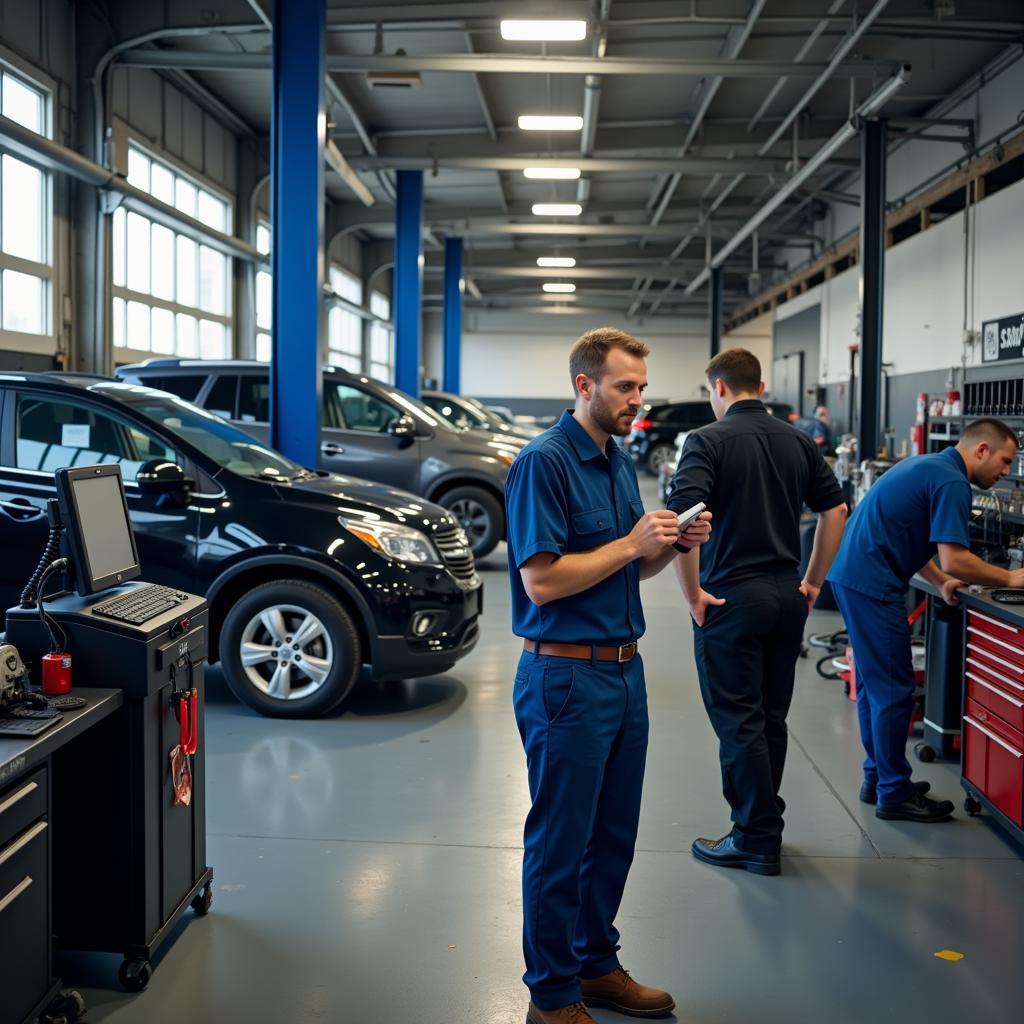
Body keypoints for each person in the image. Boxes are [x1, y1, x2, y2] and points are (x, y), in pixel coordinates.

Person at [504, 327, 712, 1024]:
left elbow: (629, 563)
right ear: (584, 385)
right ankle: (552, 997)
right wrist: (630, 541)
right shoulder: (545, 463)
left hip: (625, 674)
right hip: (565, 681)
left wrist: (668, 544)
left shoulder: (617, 459)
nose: (637, 399)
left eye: (642, 387)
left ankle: (596, 964)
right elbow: (541, 582)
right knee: (560, 842)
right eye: (626, 386)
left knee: (613, 834)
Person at [667, 349, 847, 876]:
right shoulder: (798, 440)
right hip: (786, 597)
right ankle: (765, 824)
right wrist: (813, 580)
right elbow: (834, 510)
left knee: (739, 721)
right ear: (759, 385)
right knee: (770, 717)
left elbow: (686, 516)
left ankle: (754, 837)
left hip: (730, 600)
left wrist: (692, 593)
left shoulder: (706, 440)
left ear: (718, 388)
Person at [828, 417, 1024, 822]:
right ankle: (894, 793)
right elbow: (955, 556)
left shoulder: (929, 465)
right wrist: (1009, 577)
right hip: (872, 584)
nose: (1006, 472)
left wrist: (942, 580)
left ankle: (879, 777)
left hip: (852, 576)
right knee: (895, 691)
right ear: (981, 450)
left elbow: (910, 537)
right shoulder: (952, 482)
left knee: (872, 686)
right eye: (1005, 461)